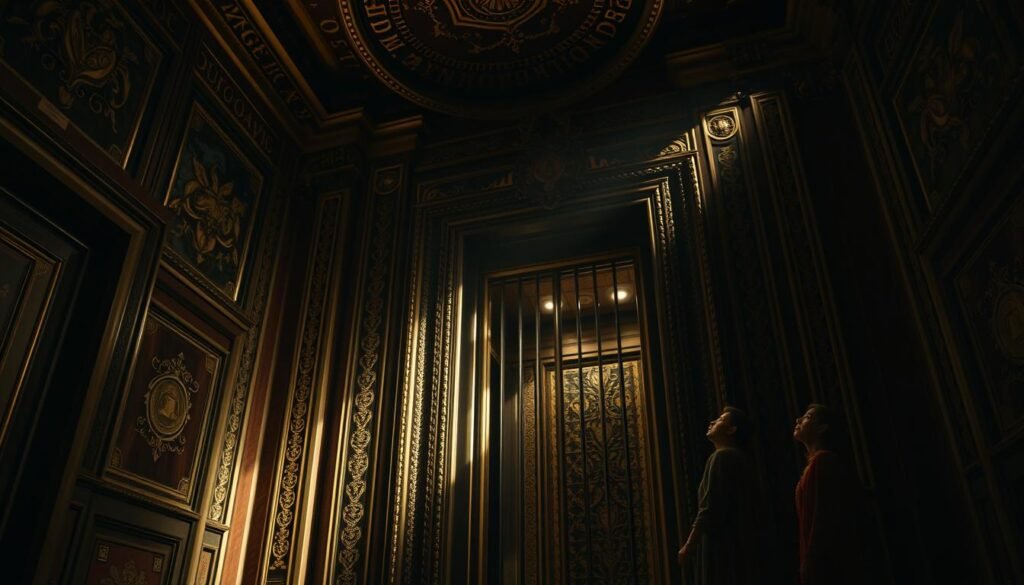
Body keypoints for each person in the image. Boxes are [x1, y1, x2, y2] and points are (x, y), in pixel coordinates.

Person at [678, 406, 756, 584]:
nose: (713, 422)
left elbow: (708, 508)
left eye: (720, 420)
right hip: (734, 543)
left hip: (719, 543)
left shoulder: (722, 456)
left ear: (731, 430)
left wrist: (689, 545)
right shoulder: (738, 457)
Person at [793, 403, 867, 584]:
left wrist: (811, 560)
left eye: (808, 417)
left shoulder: (823, 461)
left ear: (823, 428)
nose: (799, 420)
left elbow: (822, 515)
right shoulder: (814, 464)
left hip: (825, 561)